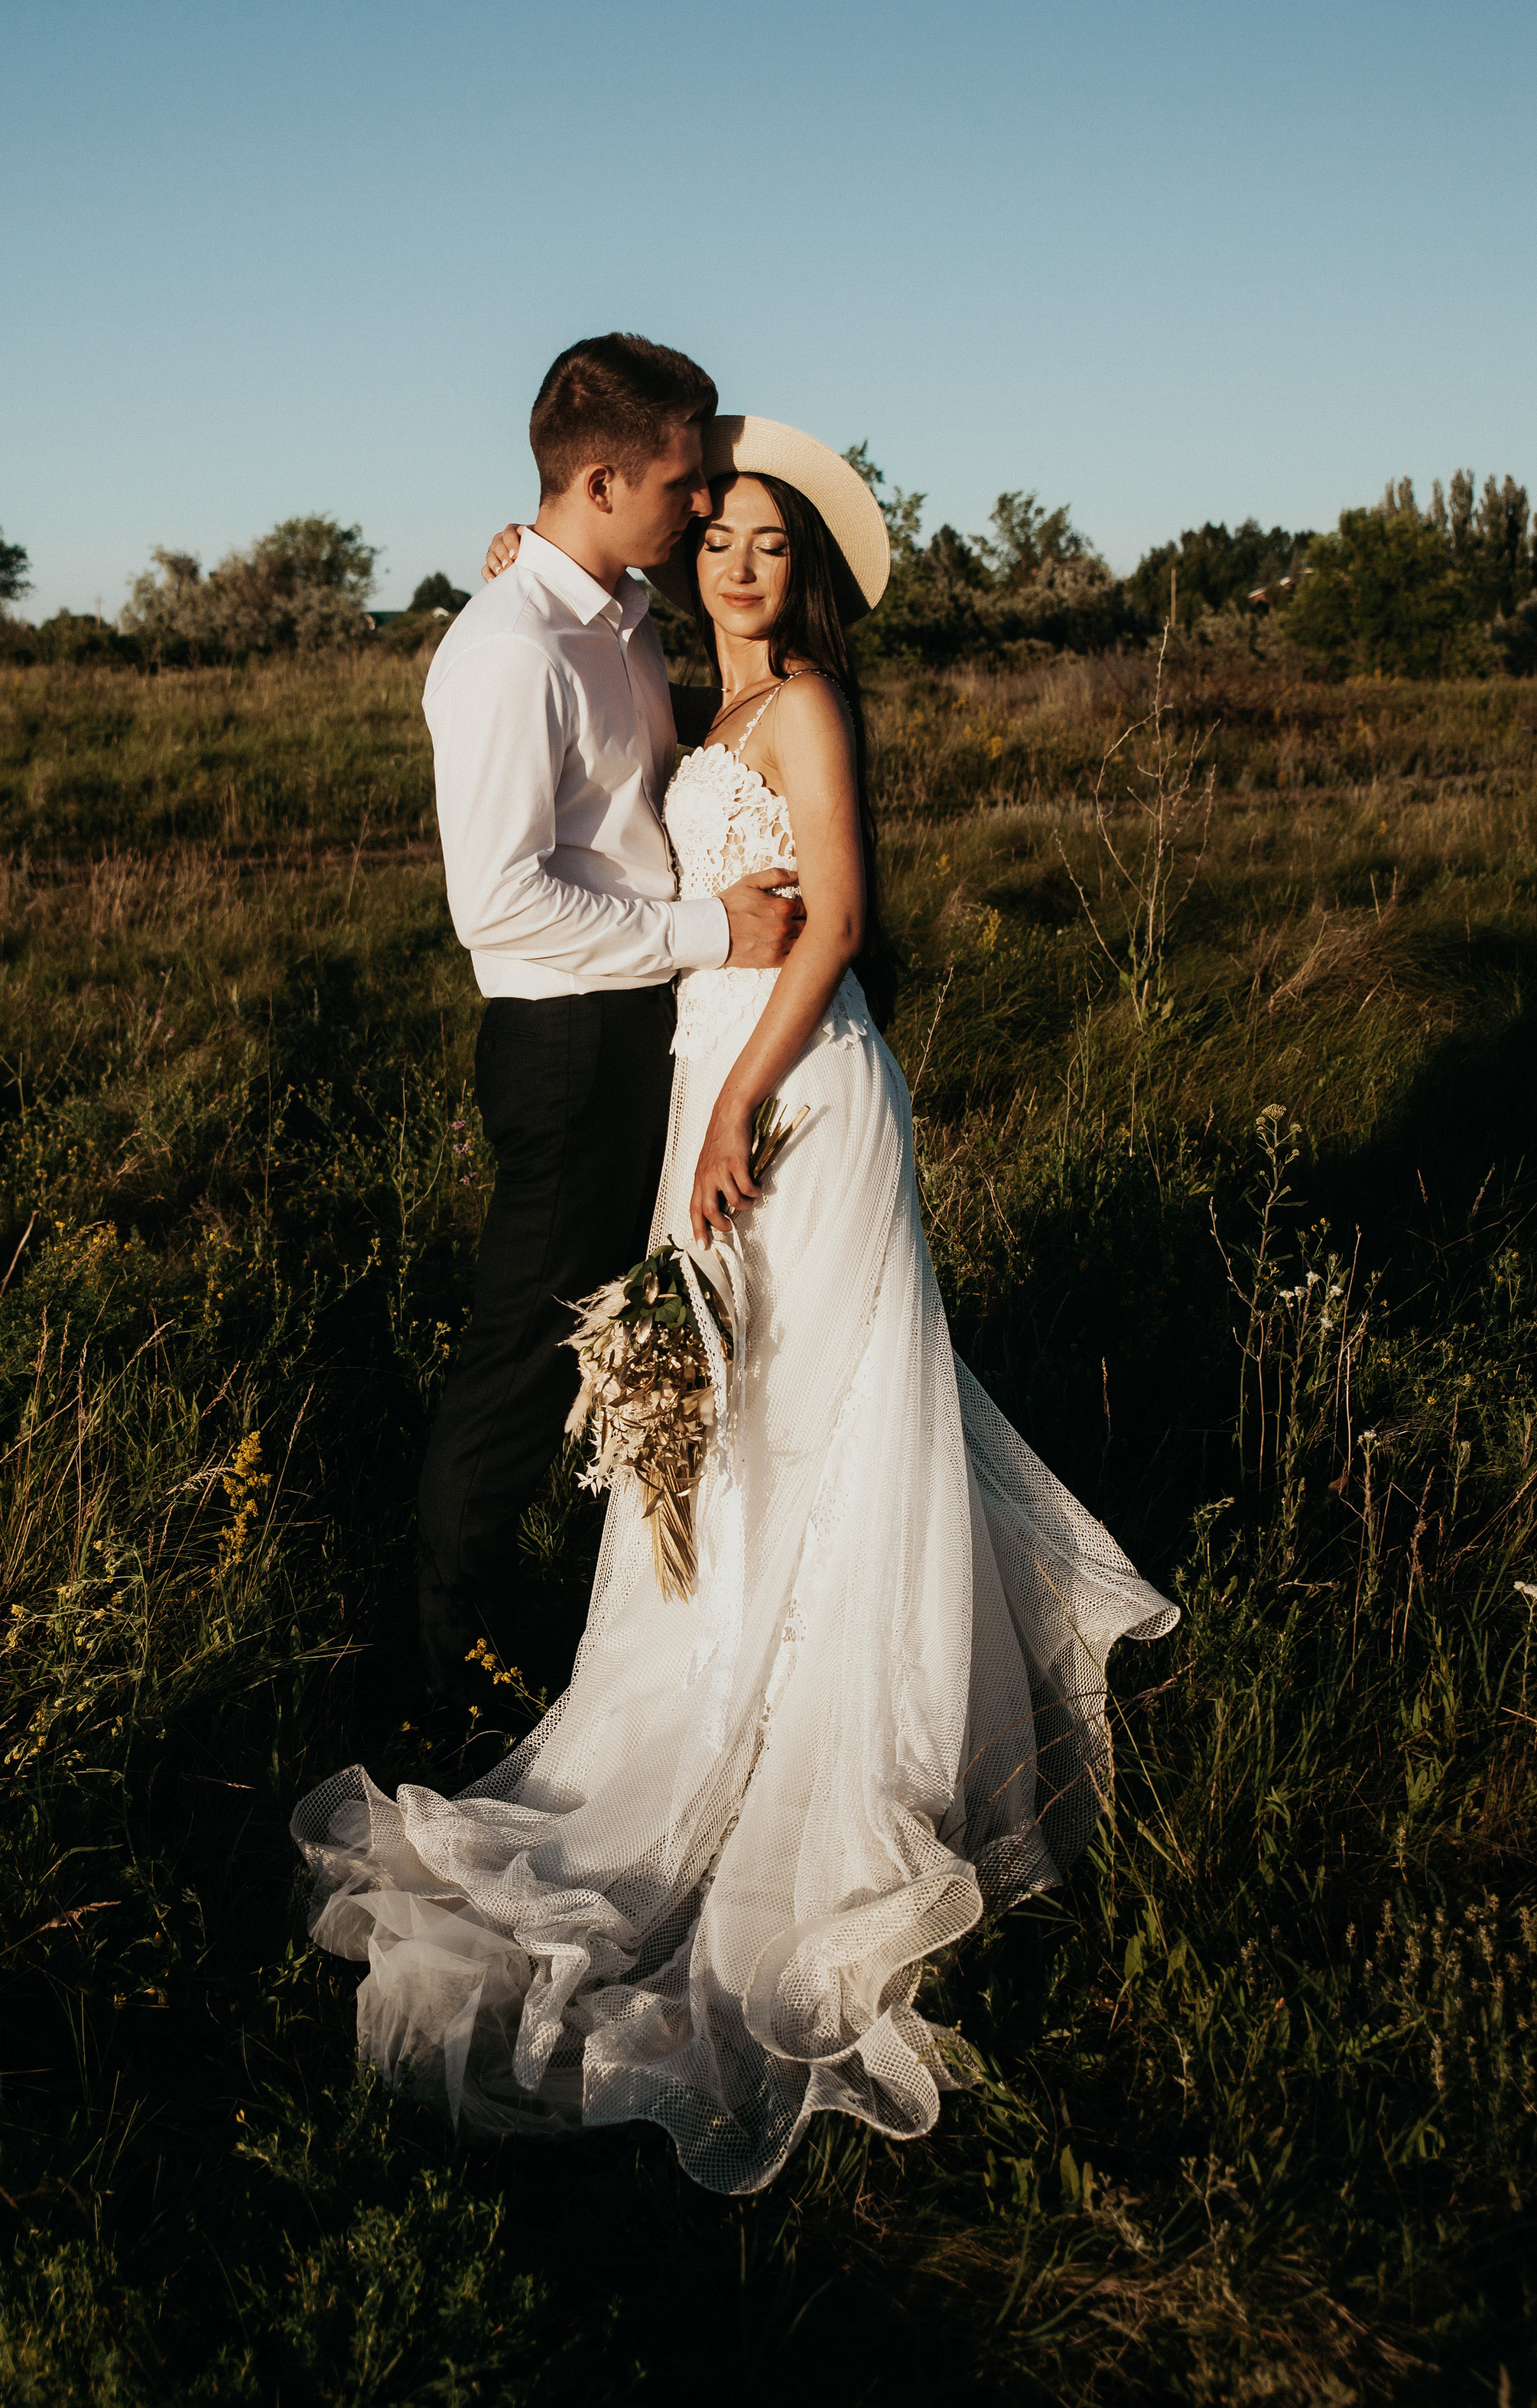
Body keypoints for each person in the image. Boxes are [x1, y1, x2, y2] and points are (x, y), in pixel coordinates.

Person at [295, 417, 1177, 2198]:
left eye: (772, 544)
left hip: (787, 1092)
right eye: (720, 537)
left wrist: (727, 1106)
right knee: (735, 1423)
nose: (739, 565)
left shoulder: (802, 715)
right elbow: (582, 633)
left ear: (814, 575)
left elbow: (834, 922)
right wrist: (516, 584)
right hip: (711, 1073)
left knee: (825, 1421)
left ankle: (838, 1755)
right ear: (678, 550)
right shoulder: (677, 693)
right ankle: (706, 1694)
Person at [408, 336, 804, 1717]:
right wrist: (711, 933)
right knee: (525, 1349)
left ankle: (600, 1609)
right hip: (566, 1043)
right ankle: (447, 1651)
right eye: (684, 484)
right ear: (598, 477)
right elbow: (498, 900)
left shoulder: (614, 613)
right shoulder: (507, 651)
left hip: (641, 1030)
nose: (703, 507)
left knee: (622, 1326)